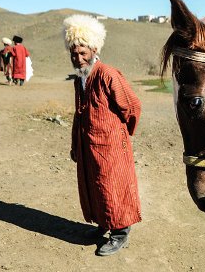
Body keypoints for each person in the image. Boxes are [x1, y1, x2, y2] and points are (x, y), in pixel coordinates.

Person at [63, 14, 142, 257]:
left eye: (83, 52)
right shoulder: (80, 80)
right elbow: (80, 114)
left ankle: (120, 232)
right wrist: (76, 144)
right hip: (88, 145)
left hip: (111, 146)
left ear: (94, 48)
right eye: (74, 53)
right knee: (94, 185)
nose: (78, 58)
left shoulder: (108, 74)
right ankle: (103, 224)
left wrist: (119, 135)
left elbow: (132, 106)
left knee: (112, 186)